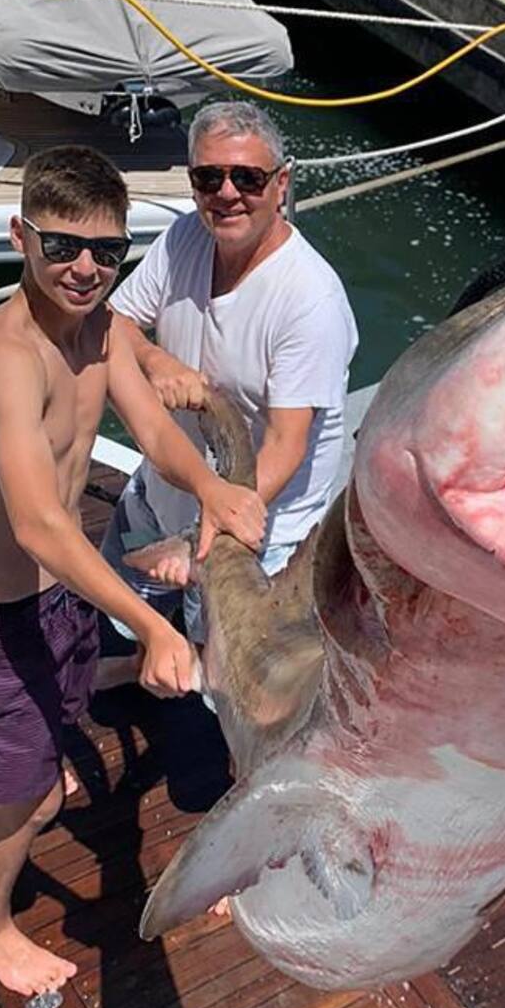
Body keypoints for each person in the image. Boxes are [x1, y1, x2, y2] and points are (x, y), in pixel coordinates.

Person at [0, 146, 266, 998]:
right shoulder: (6, 356)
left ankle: (69, 707)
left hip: (61, 605)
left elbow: (154, 434)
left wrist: (213, 488)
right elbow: (41, 524)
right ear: (21, 236)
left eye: (106, 252)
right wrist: (154, 624)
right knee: (33, 801)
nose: (85, 269)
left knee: (76, 688)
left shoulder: (106, 329)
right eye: (62, 246)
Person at [97, 101, 358, 680]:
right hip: (160, 493)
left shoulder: (308, 300)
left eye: (248, 177)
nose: (228, 193)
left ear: (282, 183)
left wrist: (199, 539)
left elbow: (286, 447)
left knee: (229, 688)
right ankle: (139, 658)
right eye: (208, 177)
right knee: (118, 624)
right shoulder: (186, 235)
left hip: (253, 532)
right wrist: (153, 355)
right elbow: (112, 318)